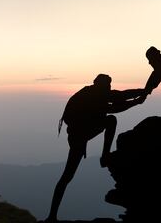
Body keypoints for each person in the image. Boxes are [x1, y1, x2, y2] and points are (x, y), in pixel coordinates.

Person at [46, 74, 145, 222]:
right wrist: (137, 99)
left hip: (79, 133)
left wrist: (140, 94)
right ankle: (105, 155)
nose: (109, 88)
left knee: (67, 176)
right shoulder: (93, 95)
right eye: (108, 85)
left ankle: (52, 216)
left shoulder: (93, 92)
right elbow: (116, 104)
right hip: (79, 135)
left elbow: (118, 97)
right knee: (67, 175)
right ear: (101, 85)